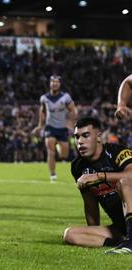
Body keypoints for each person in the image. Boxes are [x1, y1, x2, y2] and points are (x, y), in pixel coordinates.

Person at [63, 117, 132, 254]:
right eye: (77, 137)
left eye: (85, 135)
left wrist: (100, 176)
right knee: (70, 234)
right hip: (120, 228)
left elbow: (130, 176)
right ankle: (124, 242)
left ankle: (130, 242)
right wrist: (92, 230)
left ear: (99, 137)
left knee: (124, 182)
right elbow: (90, 202)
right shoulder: (78, 166)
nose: (80, 141)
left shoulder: (117, 152)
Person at [32, 75, 77, 182]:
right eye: (52, 82)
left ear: (60, 84)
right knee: (50, 152)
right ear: (50, 84)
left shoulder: (65, 97)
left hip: (62, 128)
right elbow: (42, 111)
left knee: (64, 155)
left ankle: (58, 146)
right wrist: (39, 125)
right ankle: (52, 174)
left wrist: (70, 123)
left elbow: (72, 110)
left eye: (56, 82)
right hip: (50, 127)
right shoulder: (44, 98)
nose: (54, 84)